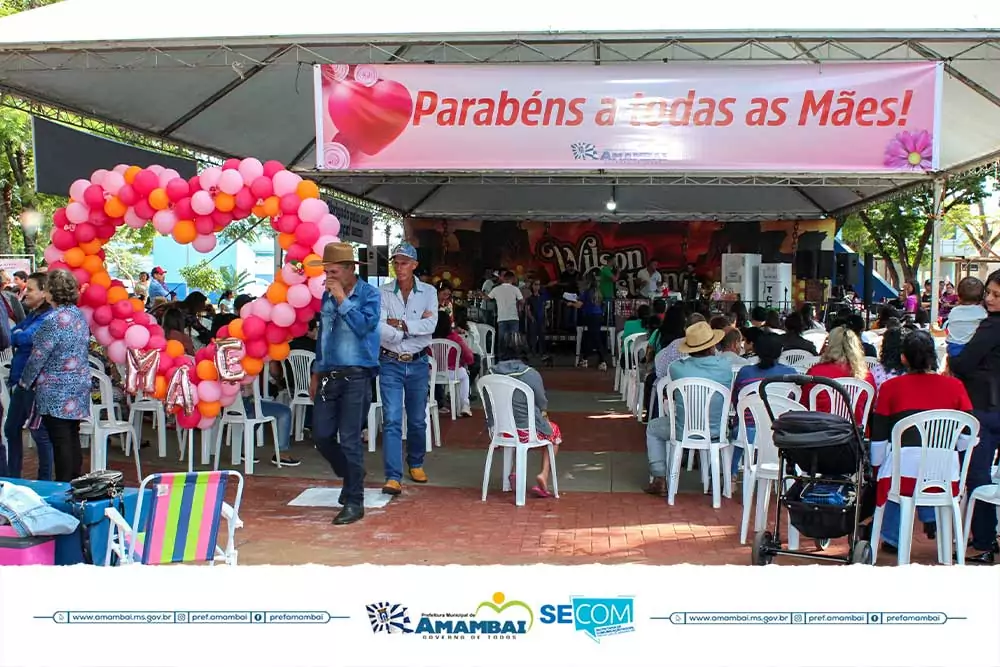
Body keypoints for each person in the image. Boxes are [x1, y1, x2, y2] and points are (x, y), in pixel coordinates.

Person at [869, 330, 975, 555]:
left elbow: (878, 440)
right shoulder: (955, 387)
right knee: (917, 464)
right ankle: (930, 518)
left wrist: (876, 468)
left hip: (903, 474)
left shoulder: (890, 388)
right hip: (946, 475)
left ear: (903, 358)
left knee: (893, 469)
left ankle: (892, 537)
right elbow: (967, 437)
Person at [310, 243, 380, 525]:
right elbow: (323, 337)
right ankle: (353, 474)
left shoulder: (370, 294)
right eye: (326, 272)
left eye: (334, 271)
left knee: (350, 439)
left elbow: (364, 326)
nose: (329, 277)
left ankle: (354, 500)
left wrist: (342, 299)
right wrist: (317, 370)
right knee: (321, 435)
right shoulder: (325, 297)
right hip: (329, 374)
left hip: (356, 375)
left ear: (351, 270)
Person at [17, 270, 90, 482]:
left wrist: (24, 382)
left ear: (50, 293)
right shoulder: (79, 315)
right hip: (78, 386)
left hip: (56, 390)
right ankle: (75, 481)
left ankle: (64, 485)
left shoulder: (53, 321)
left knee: (60, 440)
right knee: (71, 435)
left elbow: (38, 356)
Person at [948, 268, 1000, 564]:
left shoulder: (991, 326)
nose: (989, 300)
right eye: (988, 293)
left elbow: (965, 363)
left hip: (986, 409)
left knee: (978, 475)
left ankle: (983, 540)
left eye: (996, 295)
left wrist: (954, 360)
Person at [378, 243, 438, 495]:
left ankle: (415, 462)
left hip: (418, 362)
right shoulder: (381, 292)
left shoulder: (428, 292)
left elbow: (431, 325)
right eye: (396, 262)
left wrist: (399, 324)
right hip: (389, 361)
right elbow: (379, 328)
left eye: (404, 262)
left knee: (416, 419)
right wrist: (414, 325)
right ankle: (393, 475)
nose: (398, 267)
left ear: (414, 265)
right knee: (391, 419)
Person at [643, 321, 729, 496]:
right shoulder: (725, 367)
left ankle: (659, 478)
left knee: (653, 428)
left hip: (683, 429)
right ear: (712, 345)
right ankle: (715, 480)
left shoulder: (676, 369)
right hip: (716, 430)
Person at [488, 341, 562, 498]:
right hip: (526, 431)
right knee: (554, 433)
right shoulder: (531, 374)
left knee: (516, 427)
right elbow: (542, 403)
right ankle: (544, 474)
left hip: (500, 431)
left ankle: (515, 472)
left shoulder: (490, 373)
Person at [0, 272, 54, 480]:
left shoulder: (48, 317)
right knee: (11, 428)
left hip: (35, 382)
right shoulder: (32, 314)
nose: (25, 293)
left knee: (40, 435)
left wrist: (17, 335)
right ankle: (13, 477)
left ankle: (45, 481)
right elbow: (17, 333)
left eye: (30, 289)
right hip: (20, 380)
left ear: (44, 292)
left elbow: (24, 336)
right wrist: (17, 335)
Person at [731, 332, 797, 475]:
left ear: (755, 350)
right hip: (780, 431)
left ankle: (732, 475)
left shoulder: (745, 372)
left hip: (747, 432)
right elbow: (792, 403)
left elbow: (736, 401)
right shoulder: (790, 374)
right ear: (781, 351)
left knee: (739, 431)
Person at [804, 325, 876, 423]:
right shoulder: (866, 376)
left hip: (820, 432)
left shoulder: (815, 373)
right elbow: (870, 407)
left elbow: (804, 405)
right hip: (855, 434)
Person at [432, 310, 474, 417]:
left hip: (431, 373)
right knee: (464, 376)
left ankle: (434, 402)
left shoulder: (429, 338)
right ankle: (464, 404)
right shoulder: (455, 338)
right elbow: (469, 357)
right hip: (452, 372)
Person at [940, 276, 986, 359]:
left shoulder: (954, 311)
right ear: (981, 298)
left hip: (953, 348)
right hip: (973, 348)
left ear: (959, 297)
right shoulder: (982, 312)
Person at [572, 277, 607, 371]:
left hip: (590, 316)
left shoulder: (587, 292)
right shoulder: (599, 292)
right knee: (591, 337)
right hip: (598, 316)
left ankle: (602, 361)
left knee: (595, 338)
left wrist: (571, 304)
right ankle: (585, 359)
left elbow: (579, 305)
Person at [487, 270, 523, 356]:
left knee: (502, 340)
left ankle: (501, 359)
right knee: (513, 340)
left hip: (502, 318)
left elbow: (487, 298)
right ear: (512, 279)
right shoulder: (515, 289)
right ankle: (513, 358)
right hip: (513, 317)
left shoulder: (496, 289)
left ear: (504, 278)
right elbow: (522, 301)